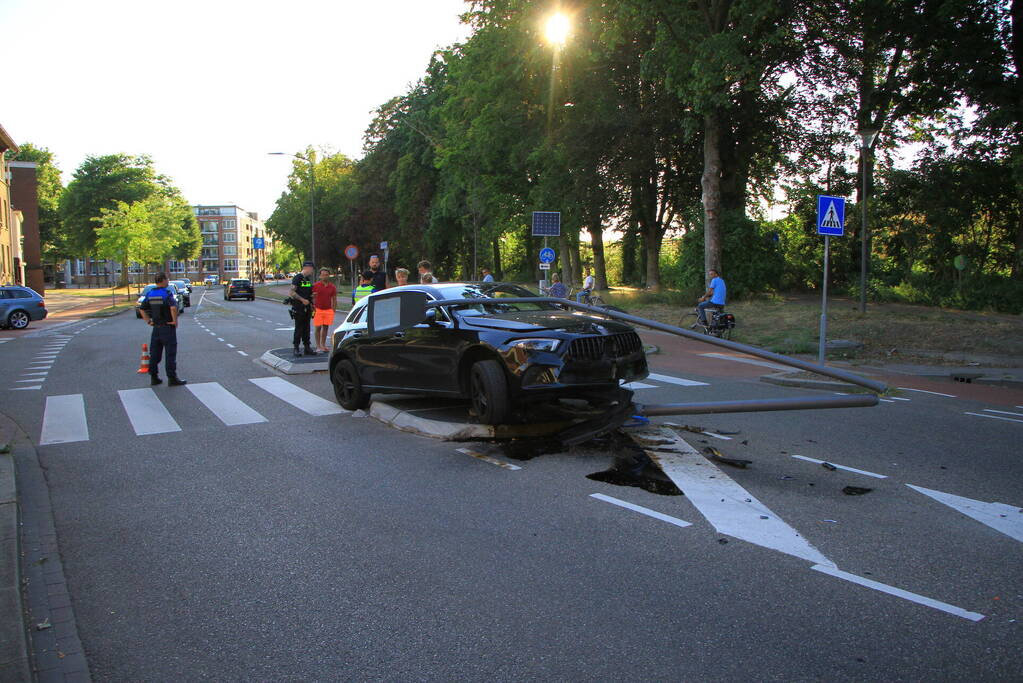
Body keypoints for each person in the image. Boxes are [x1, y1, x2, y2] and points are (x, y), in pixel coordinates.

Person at [139, 272, 186, 386]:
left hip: (156, 328)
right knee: (170, 353)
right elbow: (173, 308)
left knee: (154, 354)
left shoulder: (150, 293)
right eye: (167, 279)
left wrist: (148, 321)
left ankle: (154, 377)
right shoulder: (167, 293)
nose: (168, 281)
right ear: (163, 280)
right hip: (167, 327)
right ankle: (172, 378)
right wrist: (174, 321)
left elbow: (142, 309)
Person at [290, 261, 316, 357]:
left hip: (307, 307)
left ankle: (307, 347)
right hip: (299, 306)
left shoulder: (307, 279)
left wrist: (312, 297)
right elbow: (292, 292)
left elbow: (307, 292)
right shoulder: (297, 278)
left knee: (306, 328)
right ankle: (296, 347)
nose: (312, 271)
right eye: (312, 269)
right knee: (299, 327)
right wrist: (302, 300)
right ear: (307, 268)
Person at [312, 267, 337, 353]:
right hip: (318, 309)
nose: (325, 276)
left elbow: (334, 299)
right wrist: (312, 306)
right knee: (318, 327)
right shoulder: (315, 285)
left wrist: (333, 310)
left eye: (326, 275)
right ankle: (318, 346)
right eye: (323, 275)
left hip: (328, 310)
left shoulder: (332, 287)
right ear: (320, 276)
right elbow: (311, 296)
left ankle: (323, 345)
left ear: (329, 276)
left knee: (326, 327)